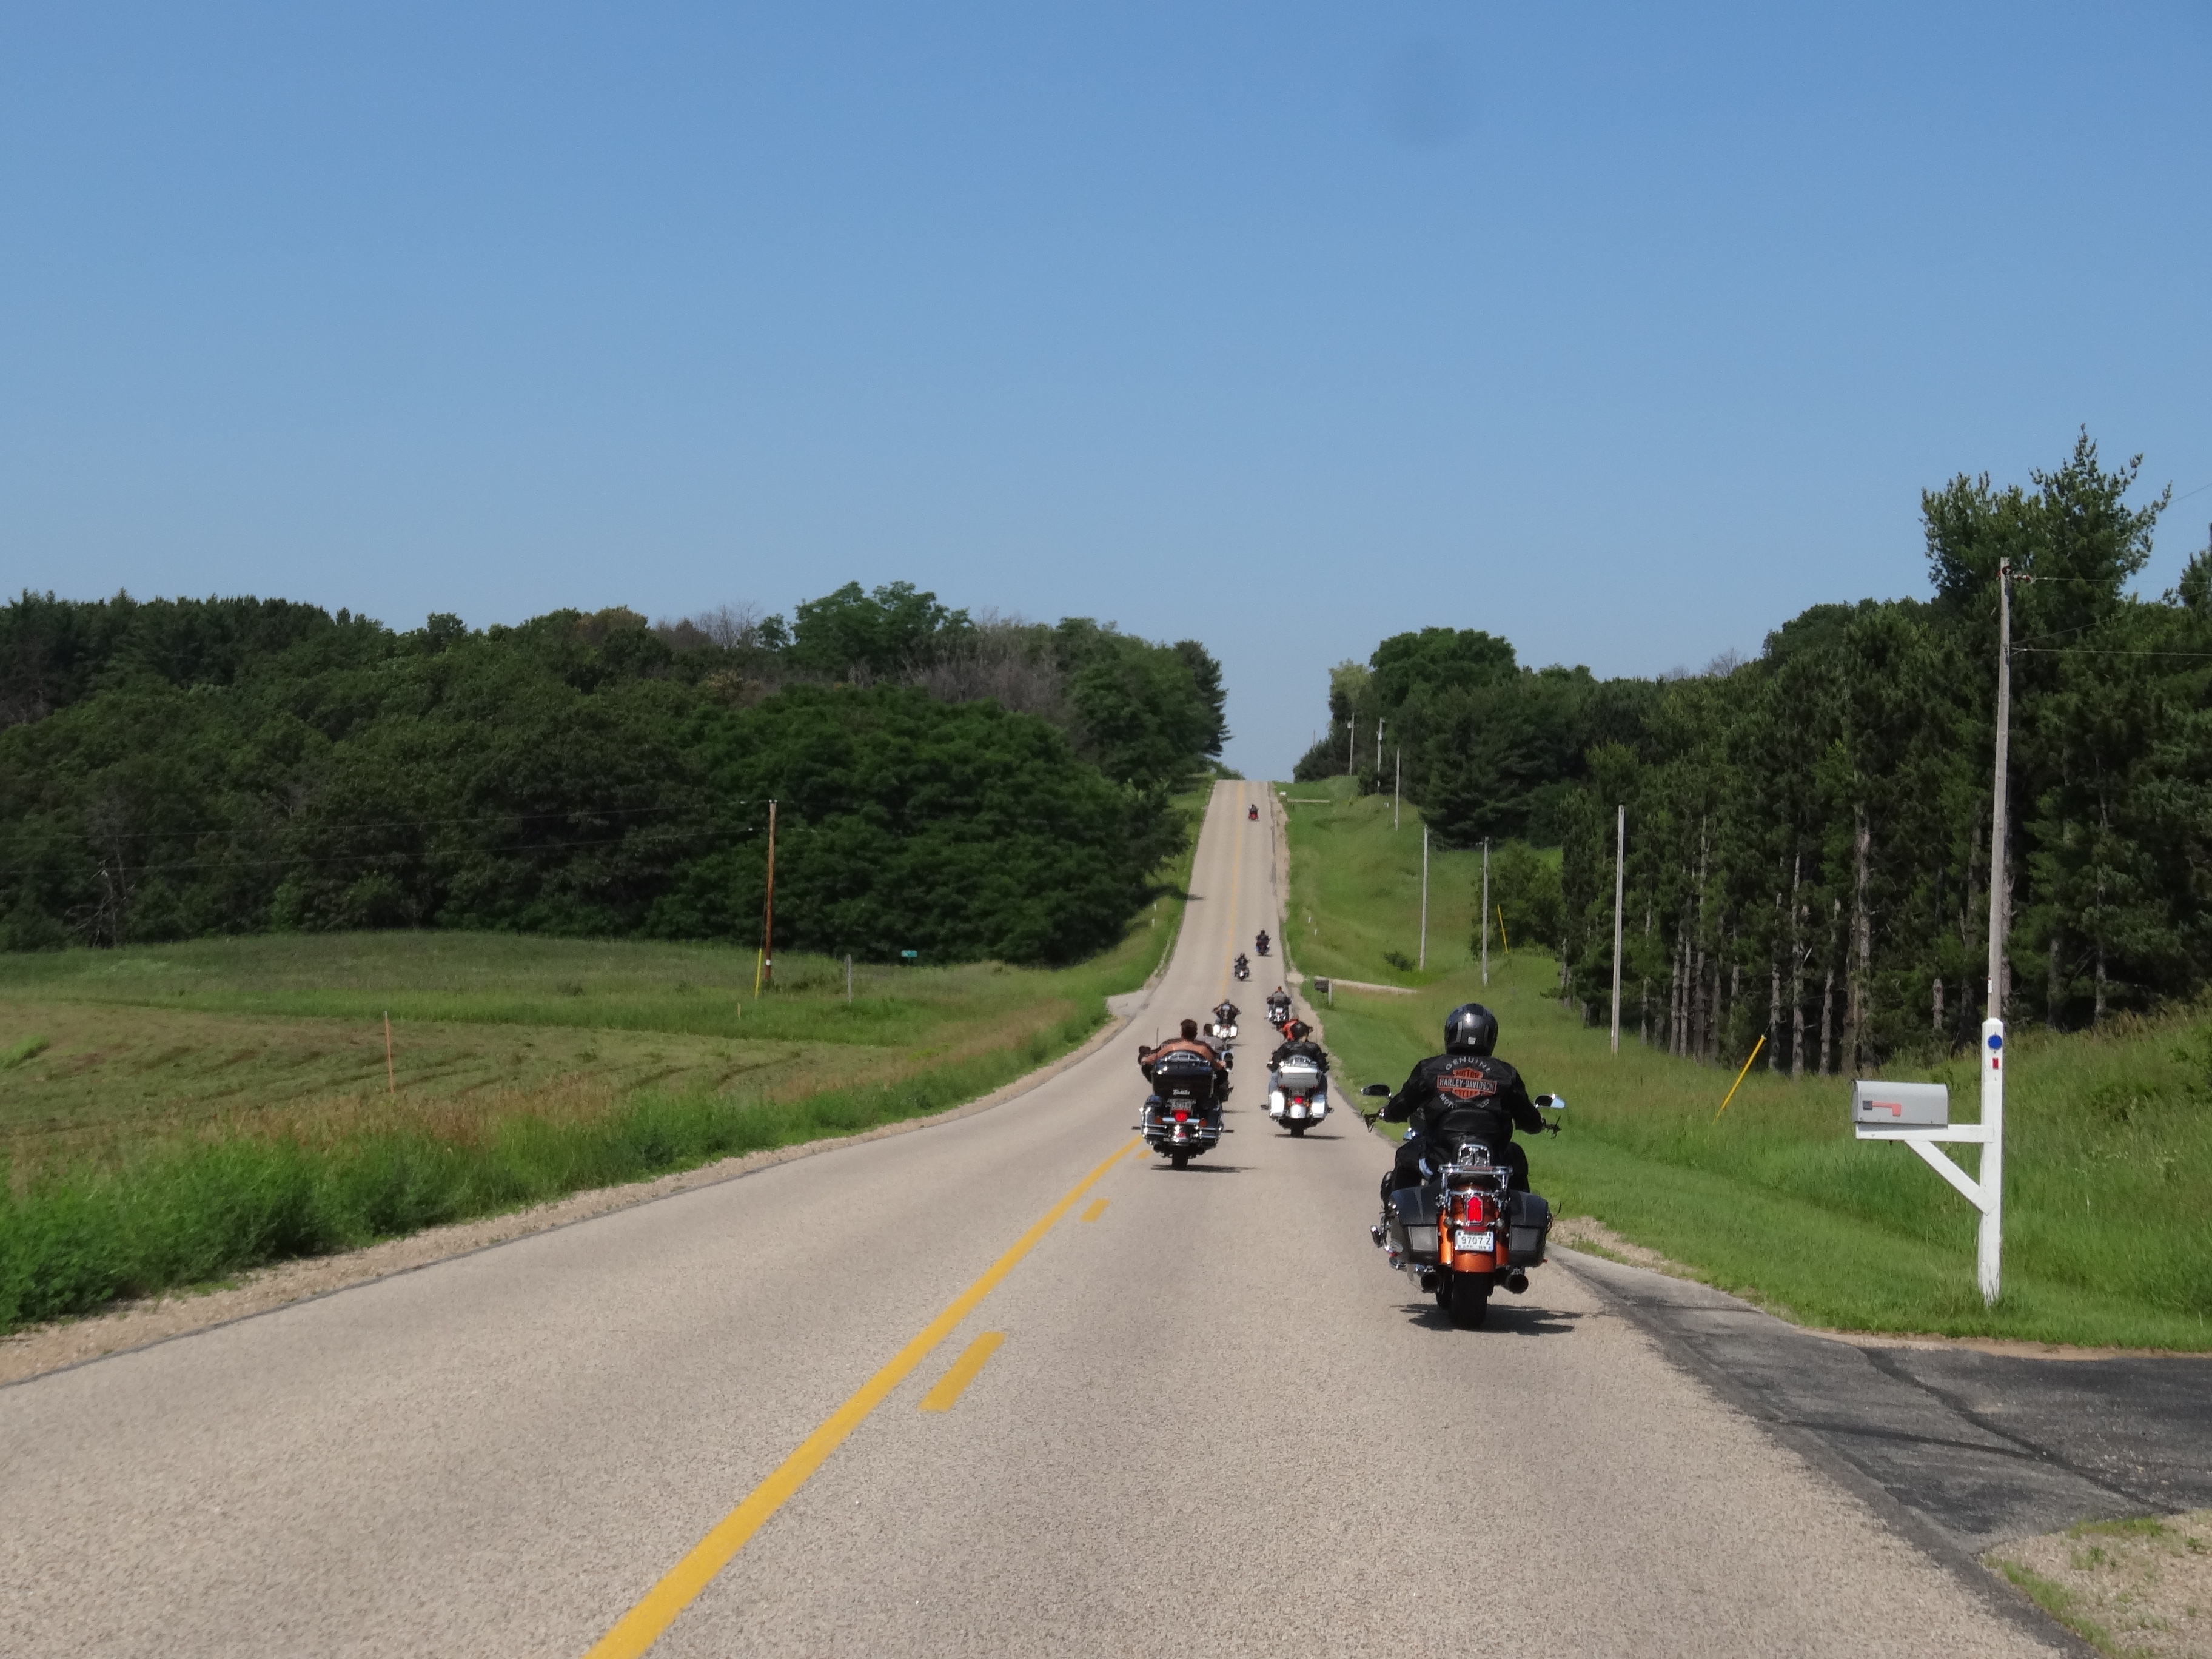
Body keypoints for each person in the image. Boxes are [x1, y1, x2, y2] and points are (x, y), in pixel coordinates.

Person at [1369, 1002, 1546, 1201]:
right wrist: (1538, 1122)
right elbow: (1529, 1120)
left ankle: (1397, 1212)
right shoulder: (1506, 1073)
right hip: (1493, 1162)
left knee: (1405, 1154)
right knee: (1517, 1156)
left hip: (1440, 1160)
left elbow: (1402, 1104)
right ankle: (1515, 1211)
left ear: (1451, 1032)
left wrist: (1387, 1112)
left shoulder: (1430, 1068)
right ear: (1490, 1036)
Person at [1138, 1017, 1228, 1085]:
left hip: (1173, 1083)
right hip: (1195, 1085)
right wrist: (1222, 1064)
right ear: (1196, 1034)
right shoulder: (1202, 1050)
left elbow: (1155, 1058)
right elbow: (1215, 1066)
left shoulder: (1171, 1048)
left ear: (1181, 1034)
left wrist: (1145, 1059)